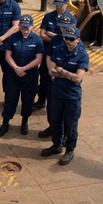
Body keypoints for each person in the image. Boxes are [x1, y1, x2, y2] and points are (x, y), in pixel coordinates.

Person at [43, 26, 89, 166]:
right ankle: (56, 145)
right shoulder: (59, 49)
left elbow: (77, 78)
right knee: (55, 121)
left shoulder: (82, 55)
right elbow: (52, 71)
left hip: (71, 96)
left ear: (78, 40)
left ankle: (69, 149)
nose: (67, 41)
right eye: (66, 38)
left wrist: (62, 71)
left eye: (71, 39)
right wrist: (65, 73)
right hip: (57, 93)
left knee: (71, 125)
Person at [0, 15, 44, 137]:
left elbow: (39, 59)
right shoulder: (13, 38)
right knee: (10, 98)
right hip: (14, 74)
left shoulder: (37, 40)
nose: (25, 29)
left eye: (27, 27)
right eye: (22, 26)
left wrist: (24, 69)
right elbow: (8, 55)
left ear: (32, 27)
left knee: (28, 99)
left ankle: (24, 122)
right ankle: (5, 123)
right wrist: (16, 68)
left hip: (30, 75)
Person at [36, 0, 71, 111]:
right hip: (48, 53)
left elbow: (69, 39)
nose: (58, 7)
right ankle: (41, 101)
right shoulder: (48, 17)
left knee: (58, 80)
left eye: (61, 5)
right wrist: (58, 38)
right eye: (56, 4)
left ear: (66, 4)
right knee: (44, 79)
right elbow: (42, 35)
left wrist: (51, 35)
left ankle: (55, 105)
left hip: (62, 56)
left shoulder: (71, 19)